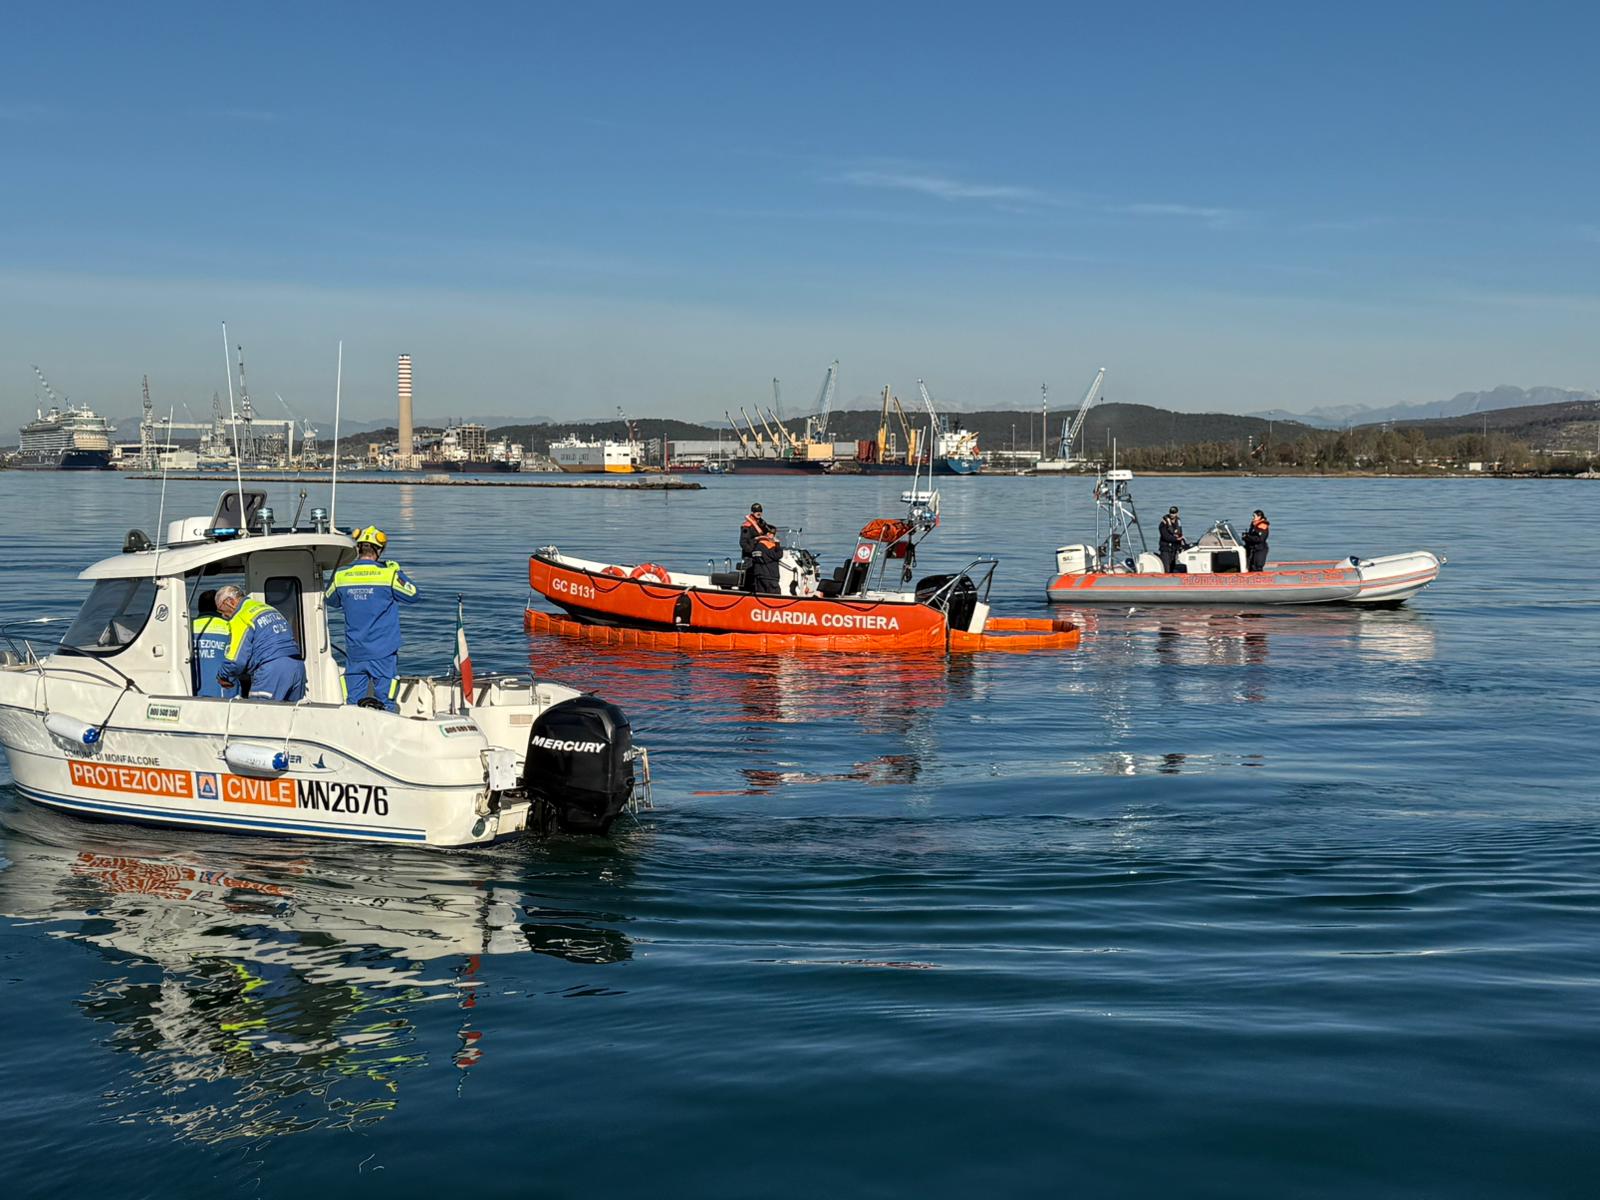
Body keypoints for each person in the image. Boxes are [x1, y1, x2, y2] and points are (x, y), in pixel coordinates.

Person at [325, 525, 420, 711]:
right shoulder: (389, 575)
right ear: (379, 550)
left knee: (353, 703)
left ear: (358, 549)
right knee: (386, 703)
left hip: (355, 652)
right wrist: (397, 571)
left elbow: (330, 599)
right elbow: (413, 594)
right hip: (383, 653)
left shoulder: (341, 577)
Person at [215, 585, 307, 702]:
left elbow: (236, 661)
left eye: (222, 611)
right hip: (297, 667)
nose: (224, 616)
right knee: (294, 715)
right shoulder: (268, 608)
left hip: (271, 671)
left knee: (260, 715)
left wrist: (222, 676)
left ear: (230, 602)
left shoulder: (241, 617)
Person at [191, 589, 231, 698]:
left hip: (193, 691)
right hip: (224, 693)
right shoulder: (230, 627)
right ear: (219, 607)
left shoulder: (188, 627)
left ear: (199, 607)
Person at [739, 503, 782, 594]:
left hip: (761, 552)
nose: (758, 513)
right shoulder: (747, 526)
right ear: (752, 512)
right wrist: (753, 551)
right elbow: (743, 543)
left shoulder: (762, 522)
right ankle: (747, 594)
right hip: (751, 555)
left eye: (759, 511)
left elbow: (769, 530)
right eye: (756, 511)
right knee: (750, 577)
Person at [1158, 506, 1187, 573]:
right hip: (1166, 549)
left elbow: (1180, 533)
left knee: (1172, 568)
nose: (1172, 514)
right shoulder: (1163, 523)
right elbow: (1165, 536)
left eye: (1174, 513)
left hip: (1174, 549)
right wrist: (1177, 539)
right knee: (1166, 569)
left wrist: (1181, 542)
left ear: (1177, 513)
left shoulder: (1178, 522)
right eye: (1171, 513)